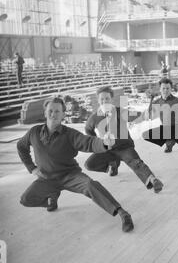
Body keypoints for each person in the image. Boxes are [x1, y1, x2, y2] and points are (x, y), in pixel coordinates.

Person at [17, 97, 134, 233]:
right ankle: (51, 198)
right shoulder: (34, 132)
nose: (53, 114)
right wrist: (32, 168)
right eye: (50, 111)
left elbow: (88, 142)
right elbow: (21, 147)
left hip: (70, 176)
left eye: (57, 111)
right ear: (45, 113)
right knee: (25, 199)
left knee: (91, 185)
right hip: (46, 178)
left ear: (62, 115)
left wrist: (104, 143)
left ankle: (122, 213)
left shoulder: (70, 134)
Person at [84, 86, 163, 193]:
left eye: (107, 98)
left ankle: (153, 180)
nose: (104, 101)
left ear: (111, 99)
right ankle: (111, 166)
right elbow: (88, 130)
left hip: (124, 147)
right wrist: (97, 142)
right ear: (98, 101)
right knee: (89, 164)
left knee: (137, 163)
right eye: (102, 99)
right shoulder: (94, 117)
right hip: (107, 149)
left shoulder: (120, 112)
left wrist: (147, 114)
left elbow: (138, 115)